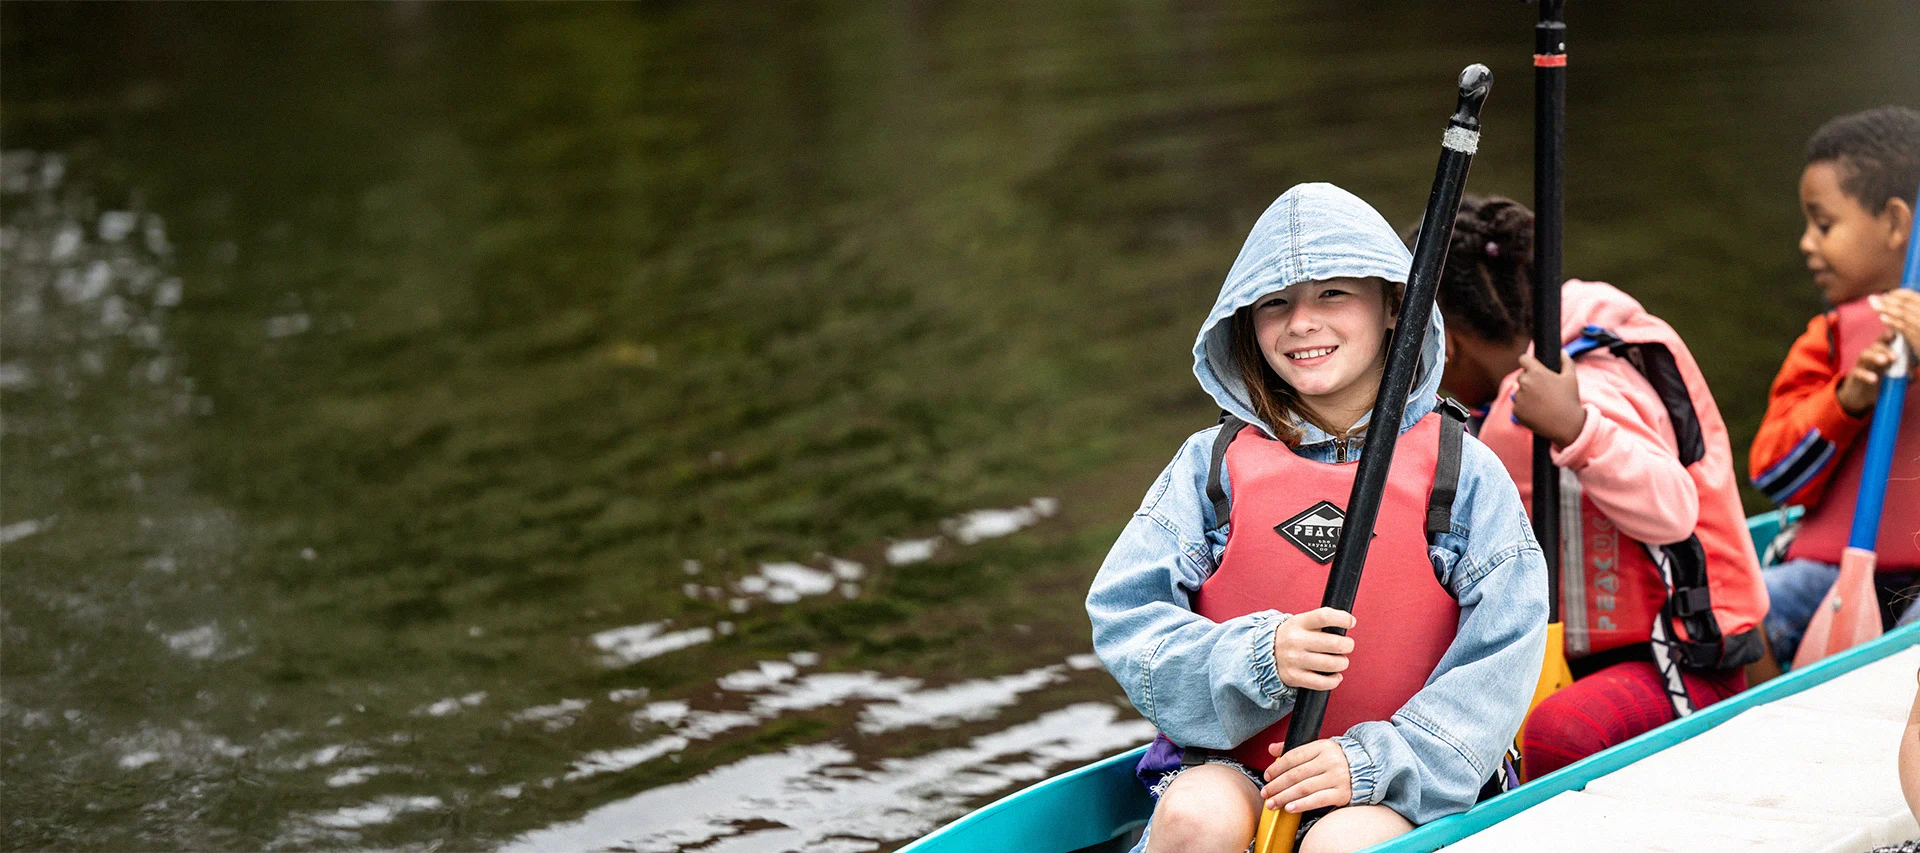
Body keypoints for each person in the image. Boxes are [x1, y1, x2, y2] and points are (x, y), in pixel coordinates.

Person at [1086, 183, 1548, 853]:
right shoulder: (1209, 466)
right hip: (1243, 768)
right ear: (1246, 320)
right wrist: (1258, 657)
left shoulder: (1462, 472)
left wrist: (1368, 762)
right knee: (1194, 817)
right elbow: (1128, 618)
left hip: (1402, 781)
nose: (1302, 322)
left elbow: (1503, 654)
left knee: (1343, 845)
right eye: (1275, 303)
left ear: (1395, 304)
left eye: (1333, 293)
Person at [1426, 195, 1769, 779]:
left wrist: (1577, 429)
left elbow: (1674, 508)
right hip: (1601, 655)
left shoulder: (1579, 388)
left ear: (1445, 341)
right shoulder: (1525, 378)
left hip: (1678, 662)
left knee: (1561, 734)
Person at [1749, 106, 1920, 665]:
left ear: (1896, 224)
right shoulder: (1824, 343)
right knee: (1738, 616)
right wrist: (1845, 402)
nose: (1805, 242)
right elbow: (1773, 474)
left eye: (1823, 224)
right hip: (1829, 578)